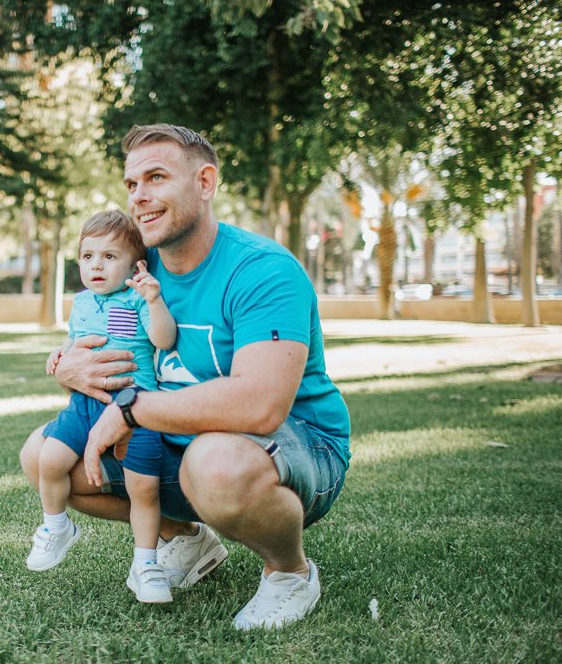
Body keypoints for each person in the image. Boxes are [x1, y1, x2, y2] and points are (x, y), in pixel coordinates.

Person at [20, 124, 350, 630]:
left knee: (213, 462)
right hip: (175, 438)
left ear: (205, 182)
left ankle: (290, 572)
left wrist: (131, 408)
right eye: (132, 184)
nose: (140, 197)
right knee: (44, 458)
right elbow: (99, 340)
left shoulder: (261, 270)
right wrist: (70, 366)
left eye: (156, 178)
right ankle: (186, 538)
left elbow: (260, 406)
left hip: (298, 446)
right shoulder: (134, 268)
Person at [27, 209, 180, 604]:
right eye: (88, 256)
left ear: (135, 264)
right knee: (49, 459)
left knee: (142, 489)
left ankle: (146, 562)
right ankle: (56, 525)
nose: (97, 265)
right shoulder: (81, 302)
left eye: (110, 257)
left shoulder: (137, 298)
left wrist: (155, 299)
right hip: (86, 403)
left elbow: (163, 340)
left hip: (136, 407)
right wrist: (59, 354)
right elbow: (77, 340)